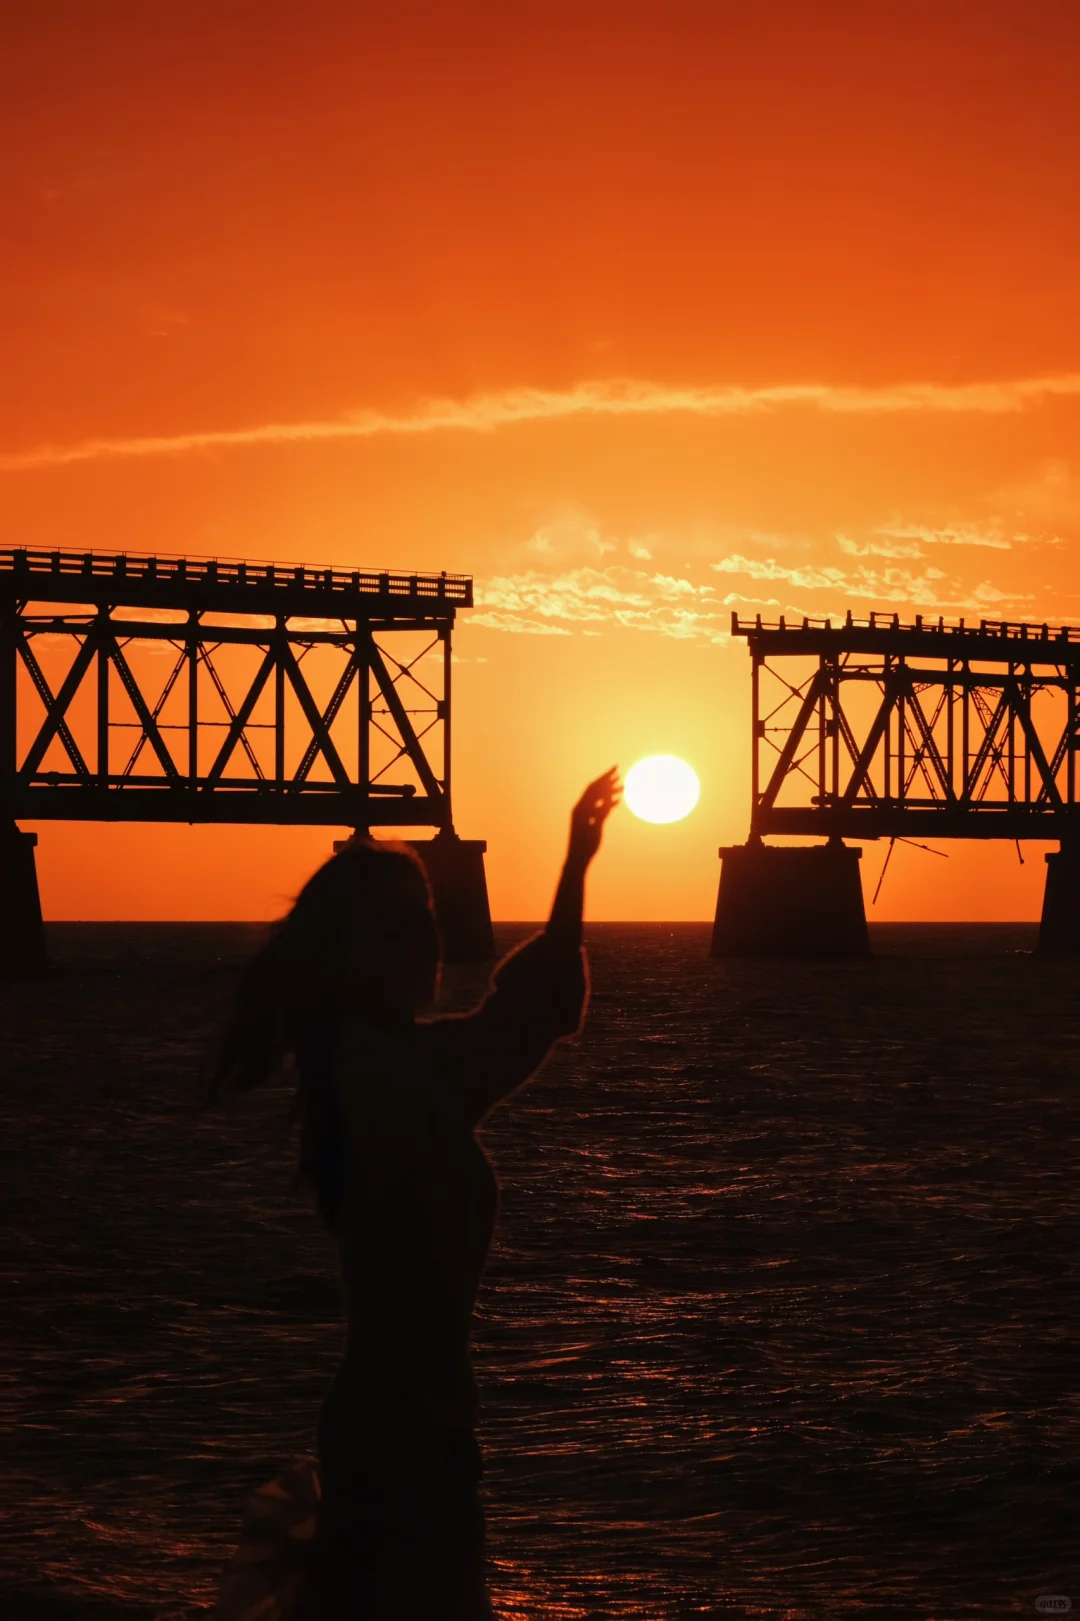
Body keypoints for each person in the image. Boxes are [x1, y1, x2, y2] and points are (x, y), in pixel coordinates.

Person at [206, 768, 621, 1620]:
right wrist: (574, 869)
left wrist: (577, 865)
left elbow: (514, 1025)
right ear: (357, 952)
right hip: (403, 1447)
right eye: (402, 928)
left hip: (410, 1437)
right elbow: (518, 1026)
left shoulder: (379, 1060)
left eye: (428, 920)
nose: (428, 942)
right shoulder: (381, 1073)